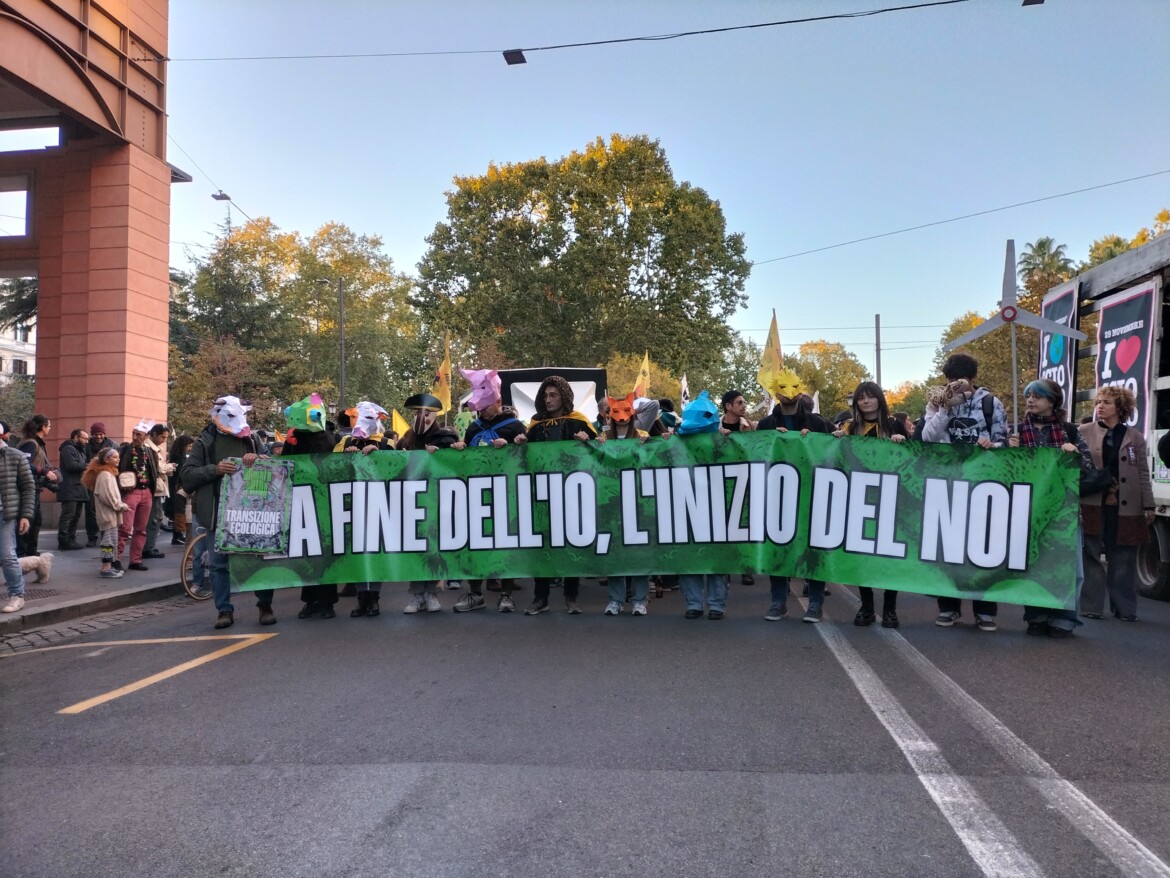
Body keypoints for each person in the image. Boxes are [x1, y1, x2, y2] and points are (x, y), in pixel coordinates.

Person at [921, 353, 1007, 631]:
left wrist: (990, 446)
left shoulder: (990, 403)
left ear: (971, 379)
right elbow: (927, 438)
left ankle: (984, 610)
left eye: (960, 380)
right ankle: (948, 607)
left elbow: (1004, 443)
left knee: (983, 549)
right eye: (949, 381)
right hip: (949, 483)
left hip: (982, 483)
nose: (955, 385)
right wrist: (945, 408)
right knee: (948, 547)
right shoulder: (936, 404)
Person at [181, 395, 277, 629]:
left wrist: (260, 459)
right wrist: (215, 469)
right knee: (218, 564)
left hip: (250, 511)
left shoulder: (252, 439)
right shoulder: (205, 442)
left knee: (258, 559)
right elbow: (187, 475)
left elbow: (272, 465)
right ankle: (224, 610)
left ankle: (265, 605)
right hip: (217, 511)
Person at [1006, 379, 1088, 637]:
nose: (1030, 400)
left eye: (1037, 396)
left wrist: (1074, 455)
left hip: (1064, 510)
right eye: (1028, 395)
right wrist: (1007, 452)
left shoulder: (1070, 432)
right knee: (1032, 565)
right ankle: (1036, 615)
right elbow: (1003, 474)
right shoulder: (1015, 433)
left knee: (1069, 566)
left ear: (1052, 401)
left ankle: (1064, 619)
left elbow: (1089, 471)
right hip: (1029, 511)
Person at [517, 375, 598, 615]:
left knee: (571, 544)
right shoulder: (534, 424)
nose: (548, 399)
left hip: (571, 493)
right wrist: (520, 442)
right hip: (541, 495)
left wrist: (588, 440)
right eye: (545, 395)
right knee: (541, 547)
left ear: (564, 397)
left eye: (553, 395)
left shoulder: (579, 422)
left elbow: (599, 449)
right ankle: (540, 598)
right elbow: (524, 458)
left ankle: (571, 597)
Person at [756, 370, 834, 622]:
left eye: (793, 388)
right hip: (777, 496)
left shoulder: (817, 422)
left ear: (800, 391)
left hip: (812, 496)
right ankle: (778, 601)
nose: (788, 393)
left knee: (813, 548)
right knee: (777, 548)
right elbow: (755, 455)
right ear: (776, 392)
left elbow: (836, 447)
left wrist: (820, 440)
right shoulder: (766, 425)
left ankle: (815, 602)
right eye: (783, 388)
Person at [451, 369, 527, 614]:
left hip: (506, 496)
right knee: (475, 546)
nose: (480, 411)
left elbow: (529, 458)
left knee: (504, 544)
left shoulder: (515, 426)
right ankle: (475, 593)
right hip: (476, 496)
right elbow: (465, 463)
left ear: (498, 401)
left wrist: (514, 446)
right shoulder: (473, 428)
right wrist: (459, 449)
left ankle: (506, 594)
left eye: (484, 406)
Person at [1078, 385, 1154, 623]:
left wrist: (1148, 505)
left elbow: (1142, 472)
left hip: (1125, 506)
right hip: (1092, 503)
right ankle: (1091, 605)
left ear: (1120, 408)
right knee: (1090, 553)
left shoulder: (1134, 437)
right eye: (1098, 402)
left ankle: (1124, 608)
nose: (1100, 406)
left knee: (1124, 557)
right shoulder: (1083, 431)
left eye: (1107, 402)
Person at [834, 381, 908, 628]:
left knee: (889, 556)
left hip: (890, 498)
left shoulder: (894, 424)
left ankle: (890, 609)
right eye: (861, 398)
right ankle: (866, 607)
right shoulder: (851, 428)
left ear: (879, 399)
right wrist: (835, 440)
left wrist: (902, 440)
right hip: (859, 499)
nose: (865, 401)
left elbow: (914, 458)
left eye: (870, 397)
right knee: (862, 555)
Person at [397, 391, 459, 614]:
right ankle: (416, 595)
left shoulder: (442, 436)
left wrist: (443, 451)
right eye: (418, 413)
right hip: (411, 500)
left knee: (432, 547)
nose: (422, 417)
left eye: (427, 413)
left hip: (434, 501)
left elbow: (452, 461)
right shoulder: (407, 438)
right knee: (415, 548)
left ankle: (431, 594)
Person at [283, 394, 342, 620]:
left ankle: (327, 602)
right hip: (302, 503)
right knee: (307, 554)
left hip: (325, 503)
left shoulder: (328, 439)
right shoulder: (294, 439)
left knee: (325, 552)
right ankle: (310, 601)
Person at [335, 401, 394, 618]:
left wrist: (379, 453)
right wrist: (346, 455)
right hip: (352, 506)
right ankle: (362, 599)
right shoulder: (345, 442)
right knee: (358, 554)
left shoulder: (387, 443)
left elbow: (396, 469)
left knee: (375, 554)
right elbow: (332, 468)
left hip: (379, 506)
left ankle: (374, 599)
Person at [598, 392, 654, 615]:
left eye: (626, 411)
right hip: (612, 500)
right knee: (615, 551)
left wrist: (656, 442)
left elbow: (656, 458)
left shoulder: (642, 435)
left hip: (637, 500)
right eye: (616, 411)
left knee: (638, 550)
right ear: (608, 414)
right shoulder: (603, 436)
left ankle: (640, 599)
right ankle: (616, 599)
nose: (622, 416)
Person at [676, 392, 729, 619]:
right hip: (687, 504)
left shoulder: (725, 440)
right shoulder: (677, 440)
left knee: (716, 556)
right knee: (690, 555)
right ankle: (694, 603)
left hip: (718, 505)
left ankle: (716, 604)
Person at [0, 421, 36, 613]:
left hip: (5, 514)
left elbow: (28, 488)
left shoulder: (15, 456)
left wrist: (25, 516)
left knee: (7, 555)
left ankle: (17, 595)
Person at [115, 419, 160, 572]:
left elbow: (154, 472)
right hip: (130, 492)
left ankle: (135, 559)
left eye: (138, 434)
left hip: (146, 492)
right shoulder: (125, 450)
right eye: (133, 434)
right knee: (125, 528)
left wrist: (151, 491)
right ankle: (116, 559)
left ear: (146, 436)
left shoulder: (151, 453)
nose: (135, 437)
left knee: (141, 528)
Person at [81, 447, 128, 579]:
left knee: (111, 541)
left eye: (118, 457)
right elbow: (107, 496)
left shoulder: (109, 473)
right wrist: (120, 505)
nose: (118, 459)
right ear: (106, 459)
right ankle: (106, 567)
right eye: (114, 457)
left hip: (111, 514)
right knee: (108, 542)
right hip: (108, 515)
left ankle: (109, 566)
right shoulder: (105, 475)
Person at [17, 415, 58, 556]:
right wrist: (42, 471)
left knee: (36, 520)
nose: (50, 428)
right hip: (27, 487)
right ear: (42, 427)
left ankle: (31, 552)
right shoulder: (30, 443)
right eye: (49, 426)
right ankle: (21, 553)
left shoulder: (37, 443)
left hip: (34, 486)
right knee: (28, 519)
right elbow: (24, 463)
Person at [142, 423, 173, 560]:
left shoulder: (155, 448)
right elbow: (159, 468)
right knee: (154, 518)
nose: (164, 440)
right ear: (153, 434)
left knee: (156, 517)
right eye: (162, 436)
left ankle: (149, 546)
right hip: (154, 488)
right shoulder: (149, 448)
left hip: (157, 487)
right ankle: (148, 547)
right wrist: (170, 467)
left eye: (166, 437)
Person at [56, 428, 90, 550]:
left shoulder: (80, 450)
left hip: (78, 488)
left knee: (76, 516)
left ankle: (71, 539)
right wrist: (88, 466)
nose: (86, 441)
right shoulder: (68, 449)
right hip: (70, 487)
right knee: (68, 515)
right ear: (76, 437)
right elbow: (72, 465)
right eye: (84, 438)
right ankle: (64, 540)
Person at [83, 424, 117, 547]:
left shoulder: (113, 445)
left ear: (104, 433)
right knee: (90, 510)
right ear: (92, 434)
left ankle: (105, 536)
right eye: (96, 434)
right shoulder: (86, 446)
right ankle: (92, 536)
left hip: (107, 480)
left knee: (107, 509)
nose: (98, 436)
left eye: (101, 434)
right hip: (92, 481)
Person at [167, 434, 195, 545]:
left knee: (178, 511)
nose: (190, 448)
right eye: (188, 446)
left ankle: (178, 534)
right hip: (176, 486)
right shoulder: (178, 457)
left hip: (176, 486)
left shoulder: (178, 456)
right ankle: (177, 534)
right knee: (178, 511)